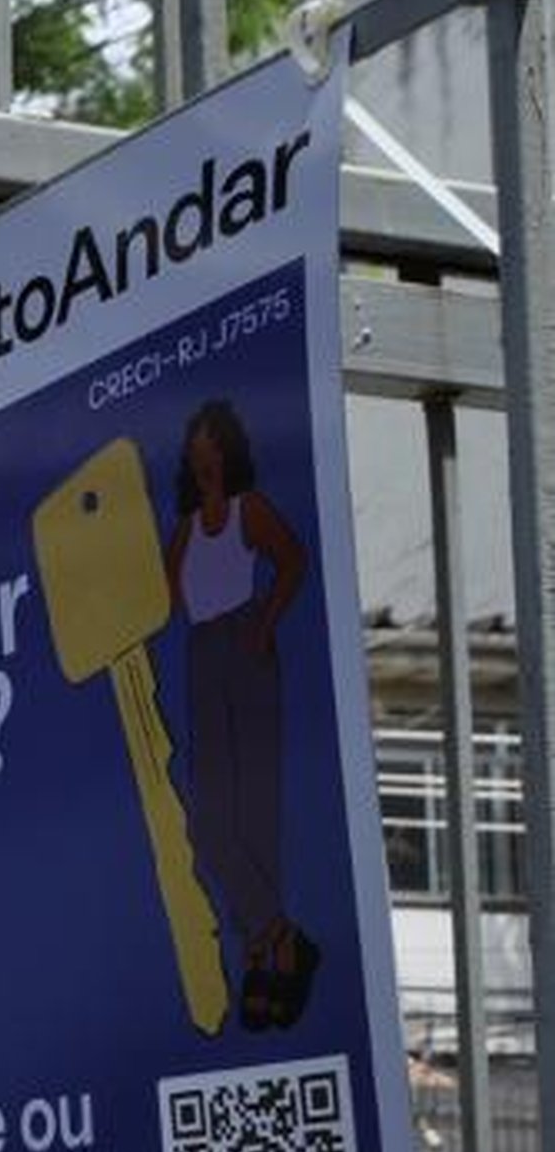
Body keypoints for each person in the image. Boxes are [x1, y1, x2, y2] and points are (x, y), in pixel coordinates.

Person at [161, 397, 317, 1030]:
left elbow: (293, 560)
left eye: (211, 448)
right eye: (195, 451)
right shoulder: (187, 527)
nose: (203, 460)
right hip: (203, 653)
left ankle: (263, 956)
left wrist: (265, 623)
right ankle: (280, 935)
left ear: (228, 451)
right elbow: (164, 599)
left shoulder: (249, 510)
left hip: (244, 645)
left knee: (254, 813)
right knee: (209, 820)